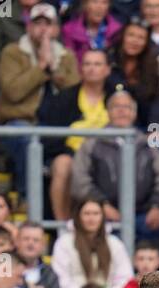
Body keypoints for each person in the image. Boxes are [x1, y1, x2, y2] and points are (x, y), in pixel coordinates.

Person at [0, 4, 80, 197]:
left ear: (56, 29)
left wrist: (54, 69)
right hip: (20, 121)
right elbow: (12, 92)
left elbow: (74, 94)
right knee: (27, 138)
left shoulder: (66, 57)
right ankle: (27, 196)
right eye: (37, 23)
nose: (43, 29)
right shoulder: (13, 52)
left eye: (48, 24)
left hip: (58, 125)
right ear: (28, 27)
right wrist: (40, 67)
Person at [71, 90, 159, 237]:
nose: (122, 111)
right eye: (116, 107)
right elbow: (80, 180)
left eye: (127, 107)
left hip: (144, 214)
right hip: (103, 214)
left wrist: (157, 206)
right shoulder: (92, 143)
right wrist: (102, 205)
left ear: (134, 113)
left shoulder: (148, 144)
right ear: (108, 112)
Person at [38, 49, 121, 220]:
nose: (92, 69)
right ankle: (63, 227)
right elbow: (50, 137)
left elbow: (149, 124)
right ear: (80, 69)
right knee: (62, 164)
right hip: (72, 153)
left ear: (107, 70)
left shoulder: (118, 97)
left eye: (97, 64)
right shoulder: (64, 98)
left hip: (110, 153)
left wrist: (155, 140)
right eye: (87, 64)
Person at [51, 199, 134, 288]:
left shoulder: (114, 243)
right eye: (87, 213)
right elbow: (60, 279)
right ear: (78, 216)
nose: (91, 218)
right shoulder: (64, 243)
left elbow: (125, 277)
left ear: (102, 216)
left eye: (96, 213)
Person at [15, 222, 65, 288]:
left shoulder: (49, 273)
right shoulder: (5, 267)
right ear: (17, 242)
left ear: (43, 245)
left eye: (36, 240)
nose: (30, 243)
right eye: (26, 239)